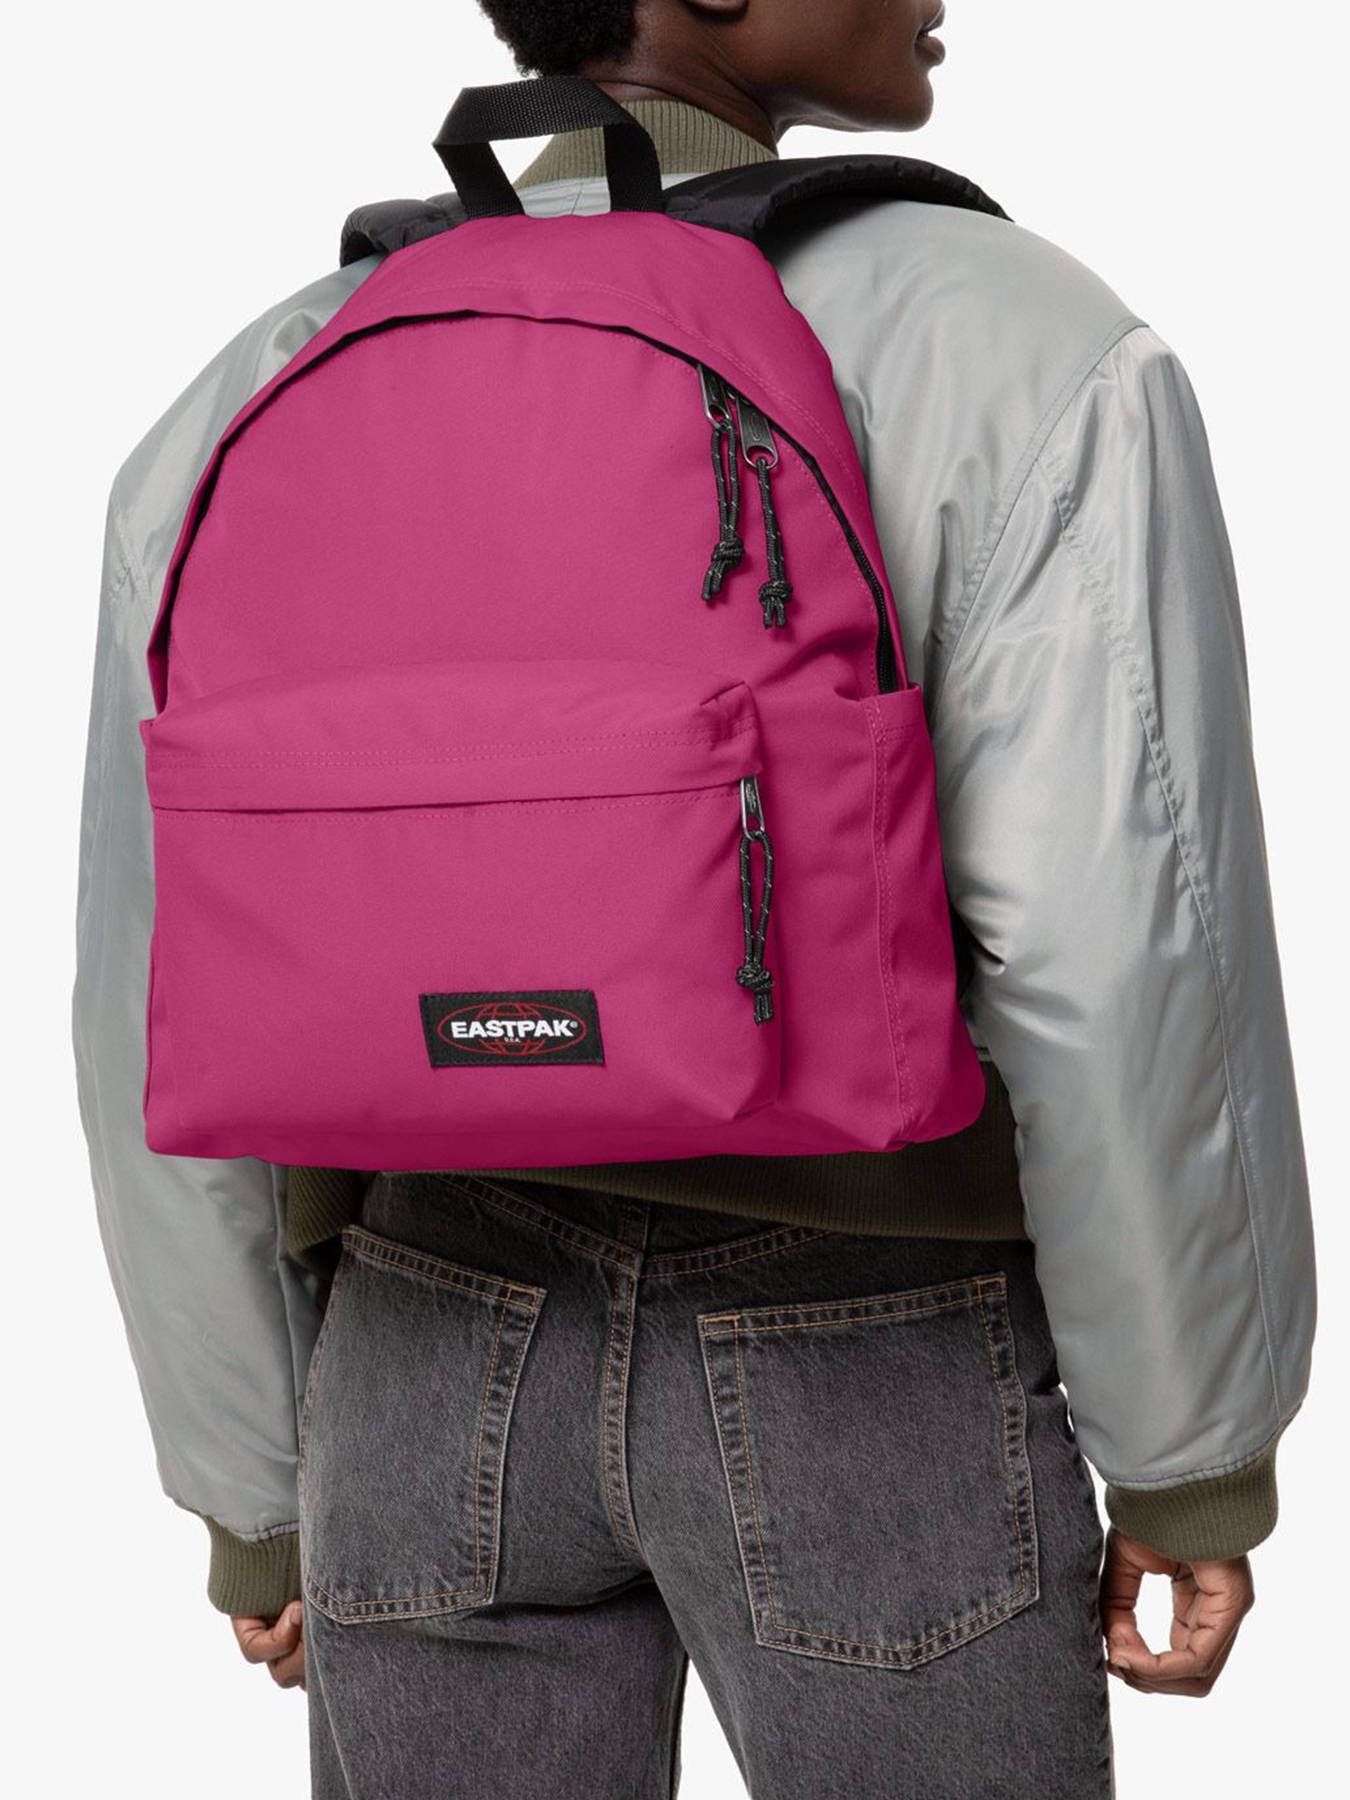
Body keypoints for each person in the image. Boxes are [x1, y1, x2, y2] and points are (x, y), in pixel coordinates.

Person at [74, 1, 1317, 1793]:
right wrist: (1190, 1450)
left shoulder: (271, 367)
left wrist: (250, 1484)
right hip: (876, 1352)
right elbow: (1122, 950)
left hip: (419, 1345)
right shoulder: (1011, 343)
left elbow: (147, 977)